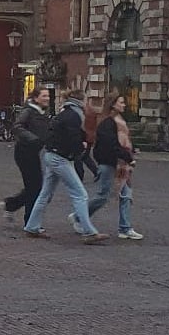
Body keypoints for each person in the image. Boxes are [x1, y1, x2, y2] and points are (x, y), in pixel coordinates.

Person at [24, 89, 108, 244]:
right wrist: (81, 148)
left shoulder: (66, 112)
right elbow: (73, 136)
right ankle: (89, 231)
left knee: (45, 194)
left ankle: (32, 226)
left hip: (52, 154)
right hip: (60, 158)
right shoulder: (74, 115)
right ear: (81, 100)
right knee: (80, 193)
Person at [71, 91, 143, 240]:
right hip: (111, 164)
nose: (124, 105)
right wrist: (127, 156)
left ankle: (125, 228)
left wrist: (131, 150)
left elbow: (122, 142)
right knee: (103, 196)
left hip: (121, 165)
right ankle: (78, 216)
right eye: (121, 102)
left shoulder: (119, 121)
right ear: (113, 104)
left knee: (126, 195)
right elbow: (111, 145)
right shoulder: (108, 123)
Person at [1, 87, 50, 226]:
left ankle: (11, 205)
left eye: (47, 95)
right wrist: (33, 138)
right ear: (36, 98)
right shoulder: (28, 111)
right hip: (24, 152)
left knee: (33, 186)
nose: (47, 98)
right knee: (35, 187)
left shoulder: (42, 113)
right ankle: (29, 222)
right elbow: (17, 127)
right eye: (44, 95)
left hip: (33, 152)